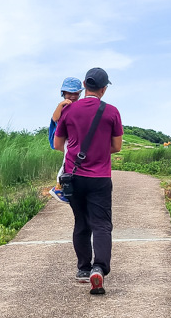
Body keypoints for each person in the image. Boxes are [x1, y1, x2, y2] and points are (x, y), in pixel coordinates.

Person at [53, 67, 122, 295]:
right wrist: (98, 151)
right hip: (100, 177)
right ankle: (99, 268)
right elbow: (116, 147)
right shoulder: (111, 112)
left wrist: (75, 149)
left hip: (73, 176)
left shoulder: (69, 111)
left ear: (84, 84)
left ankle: (83, 269)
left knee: (81, 223)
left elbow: (57, 144)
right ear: (103, 89)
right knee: (101, 224)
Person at [48, 77, 84, 203]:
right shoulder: (63, 106)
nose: (72, 96)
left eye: (75, 93)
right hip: (66, 138)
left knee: (71, 161)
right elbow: (55, 118)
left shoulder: (78, 106)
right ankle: (58, 187)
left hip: (72, 138)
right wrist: (60, 105)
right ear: (63, 93)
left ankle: (66, 185)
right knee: (66, 162)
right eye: (69, 93)